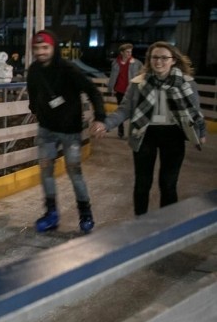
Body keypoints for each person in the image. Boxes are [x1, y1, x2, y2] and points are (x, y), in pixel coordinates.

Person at [91, 42, 206, 216]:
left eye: (163, 58)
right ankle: (141, 223)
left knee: (168, 184)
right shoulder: (139, 83)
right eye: (155, 57)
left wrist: (201, 133)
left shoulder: (186, 83)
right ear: (149, 60)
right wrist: (106, 124)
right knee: (142, 183)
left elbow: (195, 112)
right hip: (145, 134)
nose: (159, 61)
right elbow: (124, 110)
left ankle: (167, 225)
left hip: (173, 135)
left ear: (173, 60)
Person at [27, 30, 107, 234]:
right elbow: (32, 93)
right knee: (46, 172)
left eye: (45, 47)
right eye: (37, 48)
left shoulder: (68, 69)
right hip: (46, 130)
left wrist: (99, 117)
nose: (41, 52)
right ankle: (51, 214)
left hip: (70, 132)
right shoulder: (34, 70)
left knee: (74, 172)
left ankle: (85, 214)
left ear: (53, 48)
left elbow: (92, 91)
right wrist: (37, 110)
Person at [107, 43, 143, 138]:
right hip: (119, 90)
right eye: (127, 52)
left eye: (130, 52)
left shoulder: (137, 63)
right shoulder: (115, 63)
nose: (129, 54)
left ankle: (134, 131)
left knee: (135, 111)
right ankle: (120, 130)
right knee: (121, 110)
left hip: (132, 90)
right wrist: (110, 88)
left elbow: (142, 74)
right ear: (122, 52)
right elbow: (112, 76)